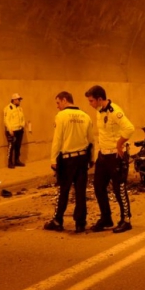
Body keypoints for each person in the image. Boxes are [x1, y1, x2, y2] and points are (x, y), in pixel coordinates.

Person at [85, 85, 135, 233]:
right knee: (99, 187)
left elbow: (129, 128)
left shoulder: (115, 111)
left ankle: (126, 220)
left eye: (91, 101)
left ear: (100, 99)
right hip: (103, 155)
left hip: (116, 156)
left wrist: (119, 144)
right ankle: (106, 218)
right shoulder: (99, 111)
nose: (90, 104)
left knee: (119, 188)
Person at [44, 91, 94, 233]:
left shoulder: (61, 116)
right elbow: (91, 140)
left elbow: (57, 139)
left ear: (65, 100)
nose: (57, 106)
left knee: (63, 191)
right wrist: (92, 158)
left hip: (67, 160)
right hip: (82, 158)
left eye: (58, 103)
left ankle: (58, 220)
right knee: (80, 192)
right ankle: (80, 223)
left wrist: (53, 159)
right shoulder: (86, 116)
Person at [3, 93, 26, 169]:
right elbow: (6, 120)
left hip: (19, 130)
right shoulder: (8, 108)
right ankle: (10, 162)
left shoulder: (20, 108)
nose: (20, 101)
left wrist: (22, 125)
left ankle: (16, 160)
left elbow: (22, 118)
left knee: (18, 146)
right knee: (11, 146)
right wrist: (10, 130)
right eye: (19, 99)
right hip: (12, 131)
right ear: (14, 100)